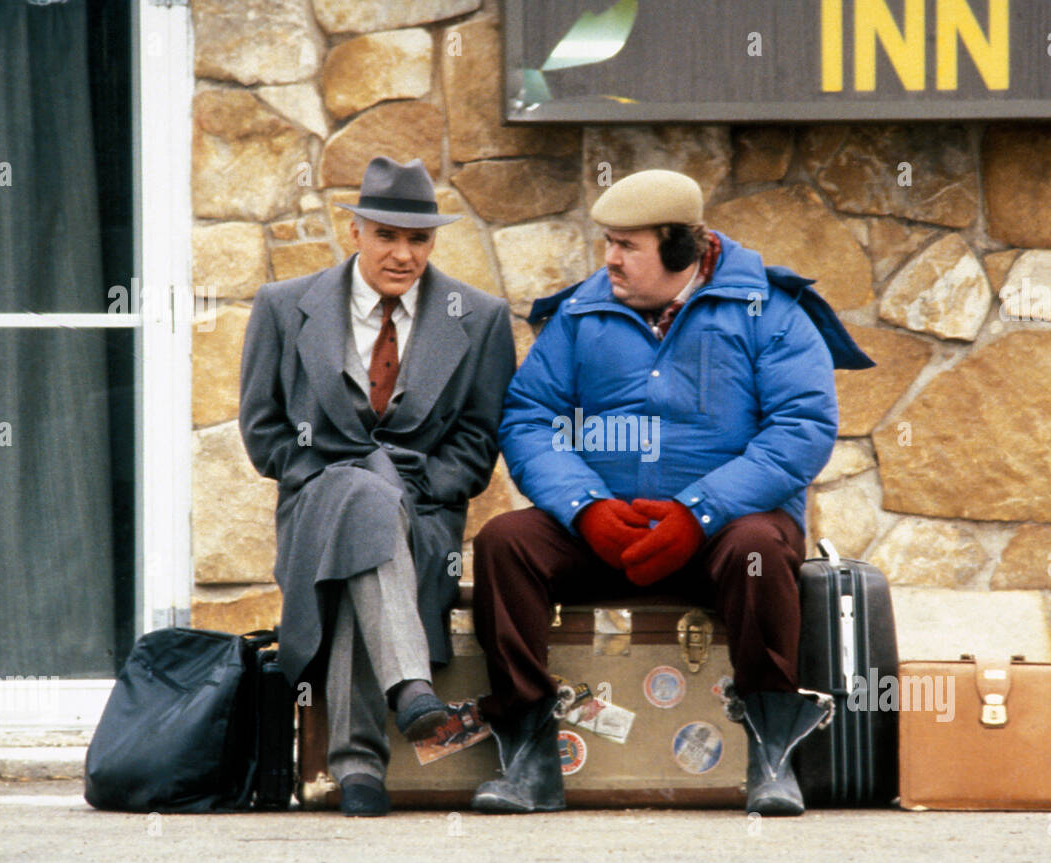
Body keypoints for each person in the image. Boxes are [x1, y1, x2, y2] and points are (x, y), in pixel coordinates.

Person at [470, 169, 872, 816]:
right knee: (504, 543)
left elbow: (801, 430)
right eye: (607, 242)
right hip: (607, 533)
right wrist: (586, 508)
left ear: (681, 247)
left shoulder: (770, 312)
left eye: (627, 245)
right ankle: (527, 754)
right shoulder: (580, 313)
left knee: (758, 548)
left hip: (723, 537)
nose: (610, 259)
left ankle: (771, 754)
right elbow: (529, 420)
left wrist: (700, 511)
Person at [239, 157, 515, 816]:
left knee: (372, 523)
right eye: (387, 235)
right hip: (317, 505)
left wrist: (416, 492)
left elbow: (479, 440)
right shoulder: (284, 308)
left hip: (422, 514)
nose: (403, 253)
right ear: (355, 229)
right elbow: (263, 430)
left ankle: (358, 764)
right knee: (361, 501)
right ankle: (408, 691)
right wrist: (321, 475)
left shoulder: (479, 318)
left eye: (418, 238)